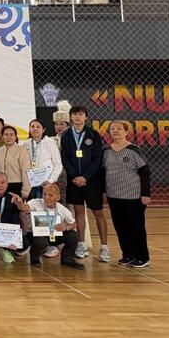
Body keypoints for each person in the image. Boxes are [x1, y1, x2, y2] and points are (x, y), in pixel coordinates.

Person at [60, 105, 110, 262]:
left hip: (92, 180)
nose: (77, 117)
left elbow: (97, 158)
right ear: (70, 117)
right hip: (74, 180)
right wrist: (75, 176)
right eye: (74, 114)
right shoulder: (66, 134)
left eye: (80, 114)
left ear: (86, 117)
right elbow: (65, 157)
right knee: (79, 212)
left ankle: (104, 247)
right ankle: (81, 244)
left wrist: (85, 177)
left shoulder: (93, 134)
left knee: (98, 212)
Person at [103, 120, 152, 268]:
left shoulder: (133, 150)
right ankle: (128, 255)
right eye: (113, 129)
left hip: (133, 196)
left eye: (119, 129)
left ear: (126, 132)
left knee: (136, 227)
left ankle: (142, 257)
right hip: (114, 196)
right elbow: (102, 172)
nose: (115, 131)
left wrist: (145, 194)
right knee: (120, 227)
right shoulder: (106, 151)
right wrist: (104, 192)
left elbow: (145, 171)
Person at [15, 182, 84, 270]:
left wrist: (65, 227)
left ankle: (67, 259)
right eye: (44, 194)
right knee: (40, 242)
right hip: (35, 234)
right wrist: (20, 204)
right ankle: (35, 259)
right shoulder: (35, 202)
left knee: (73, 236)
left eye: (50, 195)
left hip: (54, 234)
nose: (46, 197)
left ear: (58, 197)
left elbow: (74, 223)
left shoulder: (62, 209)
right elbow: (24, 207)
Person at [21, 119, 63, 199]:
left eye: (38, 127)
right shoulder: (26, 144)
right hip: (31, 183)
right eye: (32, 127)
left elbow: (58, 165)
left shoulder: (50, 143)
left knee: (46, 205)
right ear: (29, 129)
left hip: (47, 183)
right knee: (32, 205)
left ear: (43, 130)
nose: (35, 129)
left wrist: (50, 180)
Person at [0, 125, 31, 199]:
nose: (9, 137)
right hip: (1, 186)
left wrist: (26, 191)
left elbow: (26, 171)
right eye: (6, 134)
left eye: (11, 135)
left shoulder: (22, 150)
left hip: (16, 186)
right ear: (2, 137)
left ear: (15, 137)